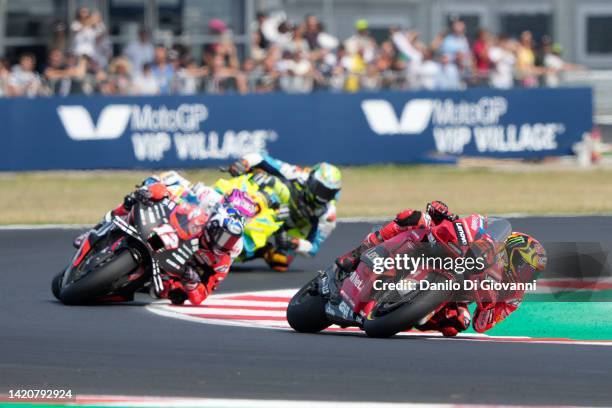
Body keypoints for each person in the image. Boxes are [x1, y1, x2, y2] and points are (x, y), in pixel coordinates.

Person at [73, 171, 243, 306]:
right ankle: (97, 228)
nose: (226, 244)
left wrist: (191, 281)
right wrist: (150, 192)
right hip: (161, 234)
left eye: (231, 242)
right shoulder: (200, 213)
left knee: (169, 293)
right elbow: (172, 194)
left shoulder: (223, 260)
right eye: (225, 238)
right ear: (213, 226)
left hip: (174, 269)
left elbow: (202, 295)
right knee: (133, 199)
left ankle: (120, 287)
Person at [228, 153, 342, 271]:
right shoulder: (297, 174)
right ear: (311, 180)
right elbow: (260, 157)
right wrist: (244, 163)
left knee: (280, 262)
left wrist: (292, 242)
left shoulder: (328, 215)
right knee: (262, 179)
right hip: (273, 204)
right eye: (320, 189)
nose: (322, 197)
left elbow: (312, 250)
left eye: (329, 193)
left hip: (293, 228)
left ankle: (261, 250)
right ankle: (230, 205)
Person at [335, 201, 456, 272]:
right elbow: (405, 215)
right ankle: (355, 255)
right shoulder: (426, 221)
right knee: (413, 217)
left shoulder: (452, 236)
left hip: (424, 265)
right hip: (395, 250)